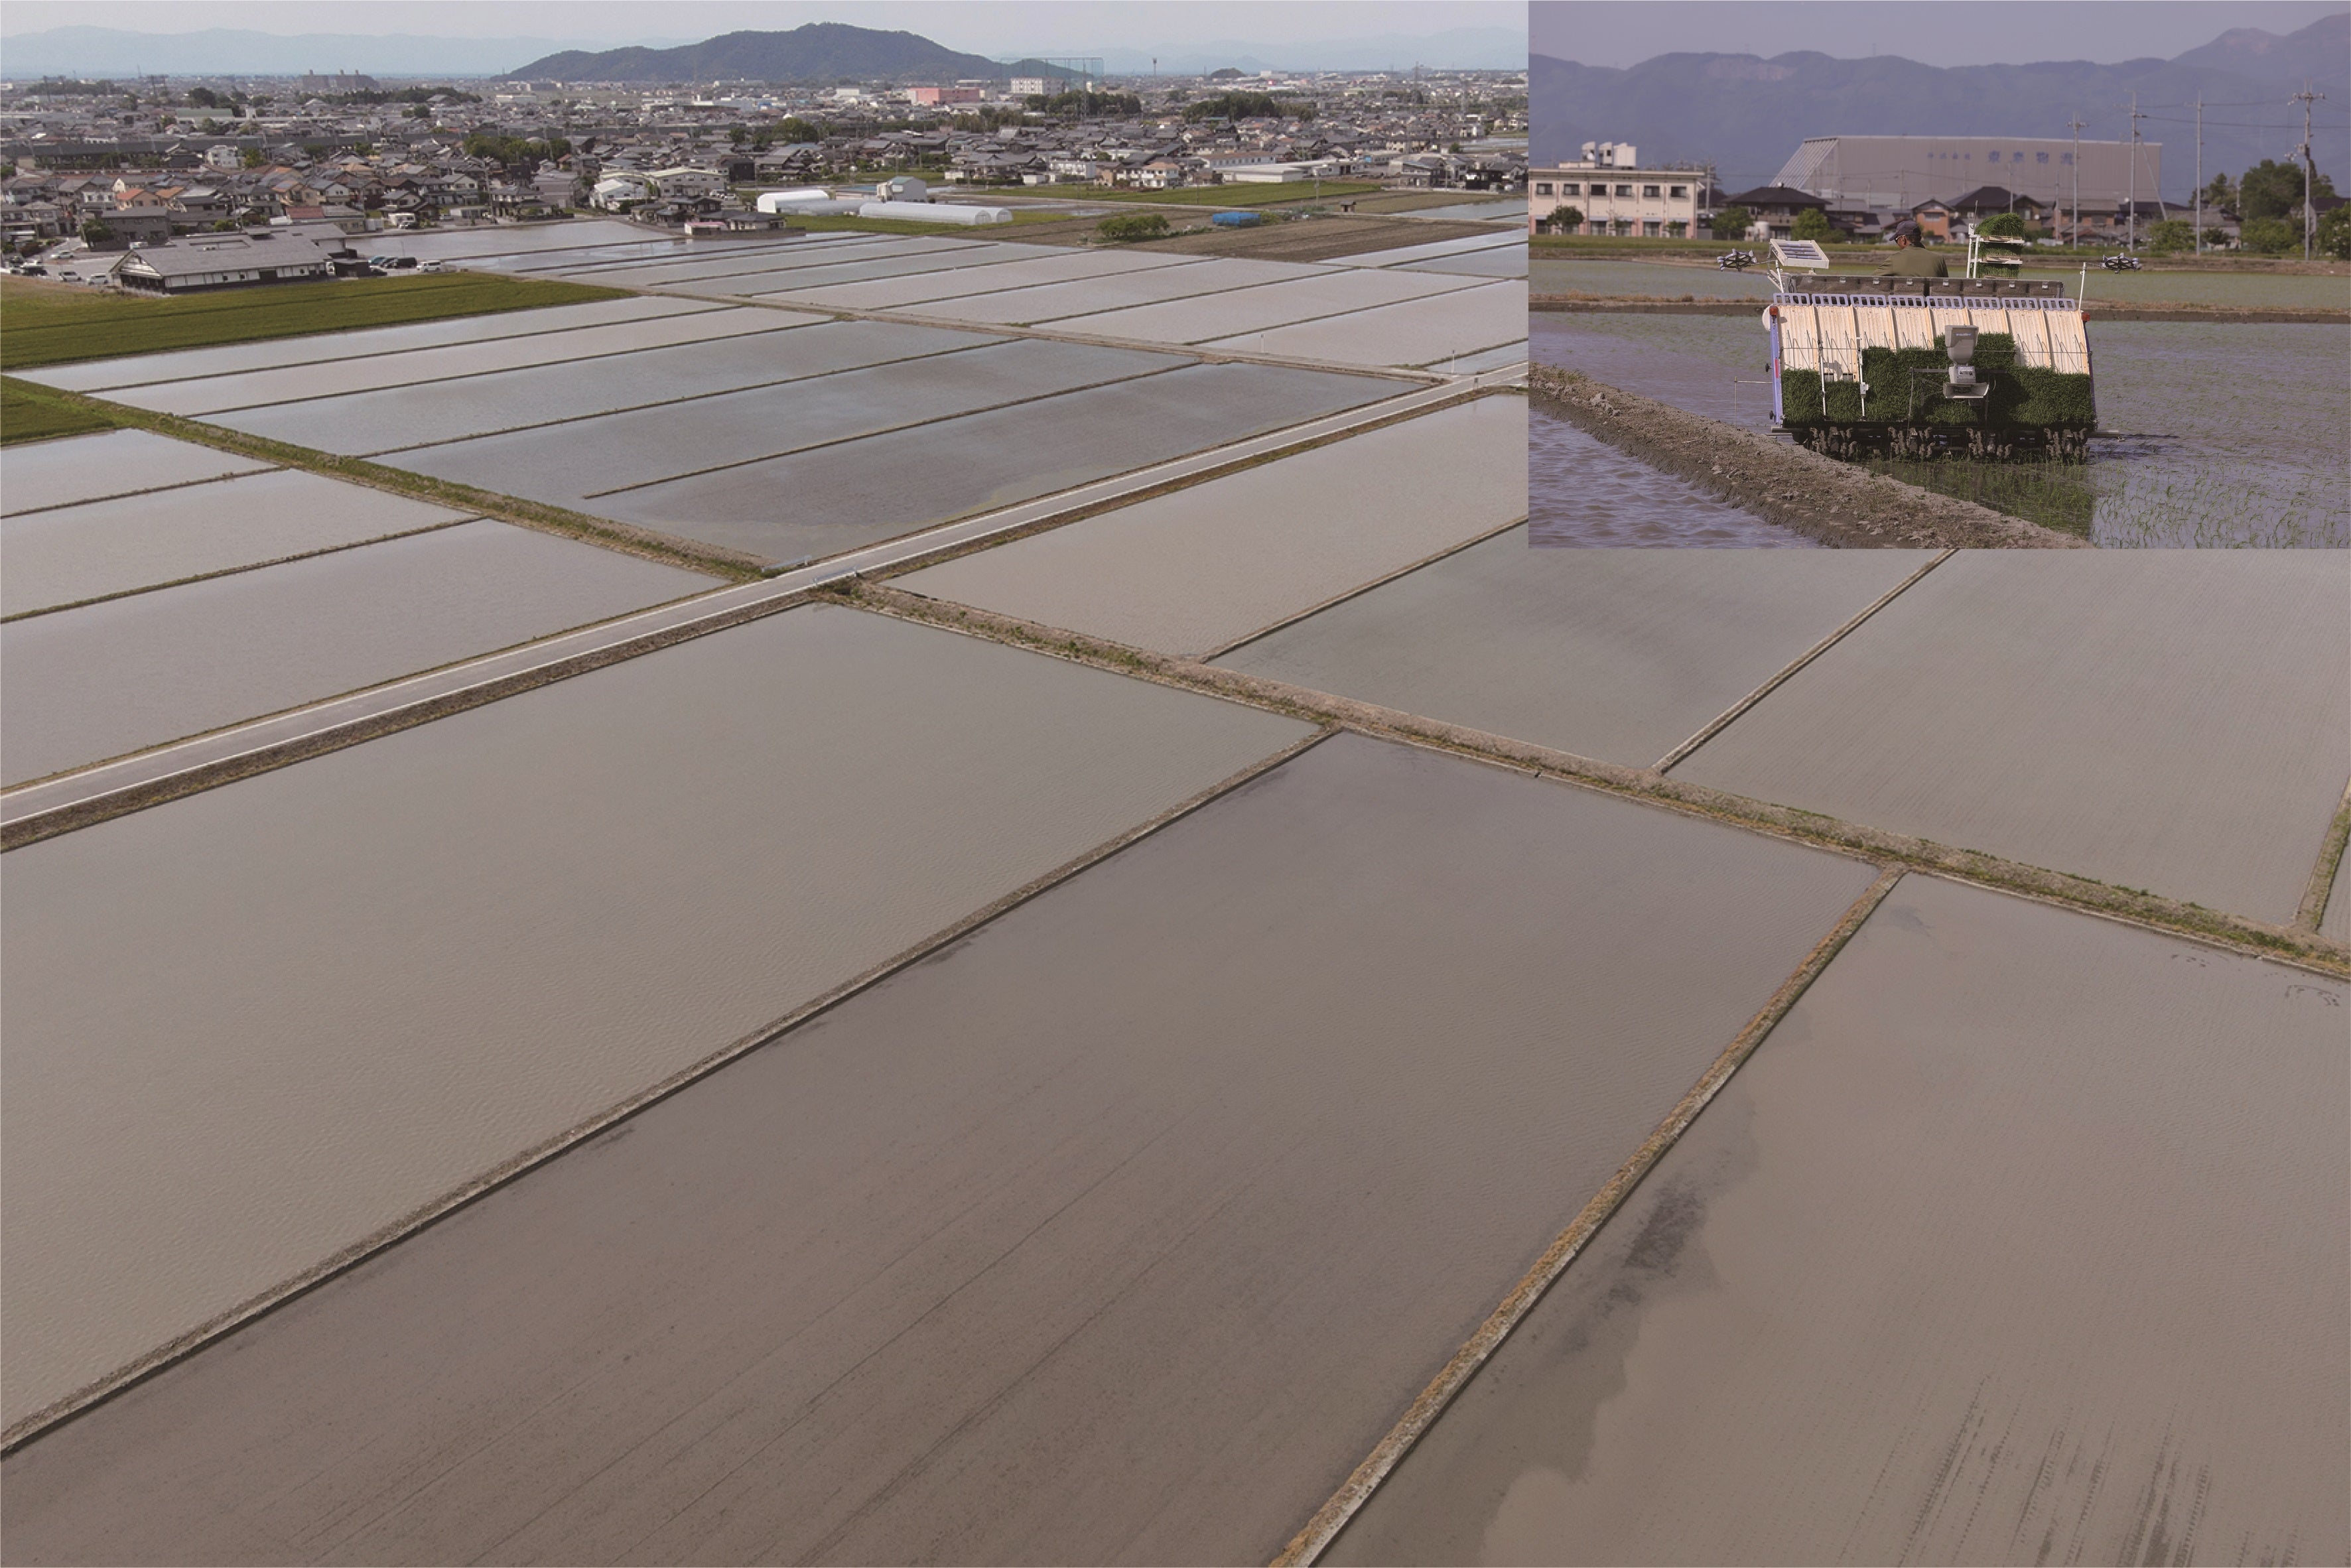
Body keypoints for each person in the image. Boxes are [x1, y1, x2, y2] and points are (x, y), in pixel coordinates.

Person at [1881, 222, 1948, 278]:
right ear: (1920, 239)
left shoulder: (1893, 260)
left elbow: (1872, 281)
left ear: (1903, 239)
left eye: (1896, 240)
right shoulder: (1939, 259)